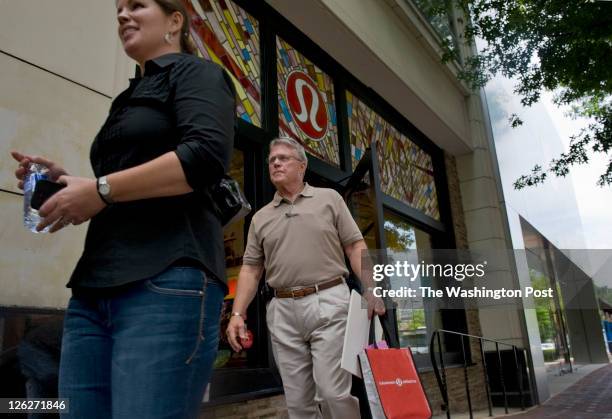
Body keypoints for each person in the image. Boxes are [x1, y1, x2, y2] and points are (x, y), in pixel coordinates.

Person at [11, 0, 235, 417]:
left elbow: (204, 156)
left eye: (137, 5)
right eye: (118, 9)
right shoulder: (128, 97)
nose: (122, 15)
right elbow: (116, 188)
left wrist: (99, 189)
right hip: (93, 290)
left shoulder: (199, 74)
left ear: (174, 20)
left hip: (167, 279)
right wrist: (66, 183)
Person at [226, 137, 386, 419]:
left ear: (302, 165)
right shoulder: (261, 218)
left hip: (330, 300)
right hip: (283, 310)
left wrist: (371, 289)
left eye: (283, 158)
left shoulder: (329, 199)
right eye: (272, 159)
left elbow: (355, 246)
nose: (275, 162)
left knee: (332, 393)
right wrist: (237, 313)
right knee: (298, 403)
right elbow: (251, 269)